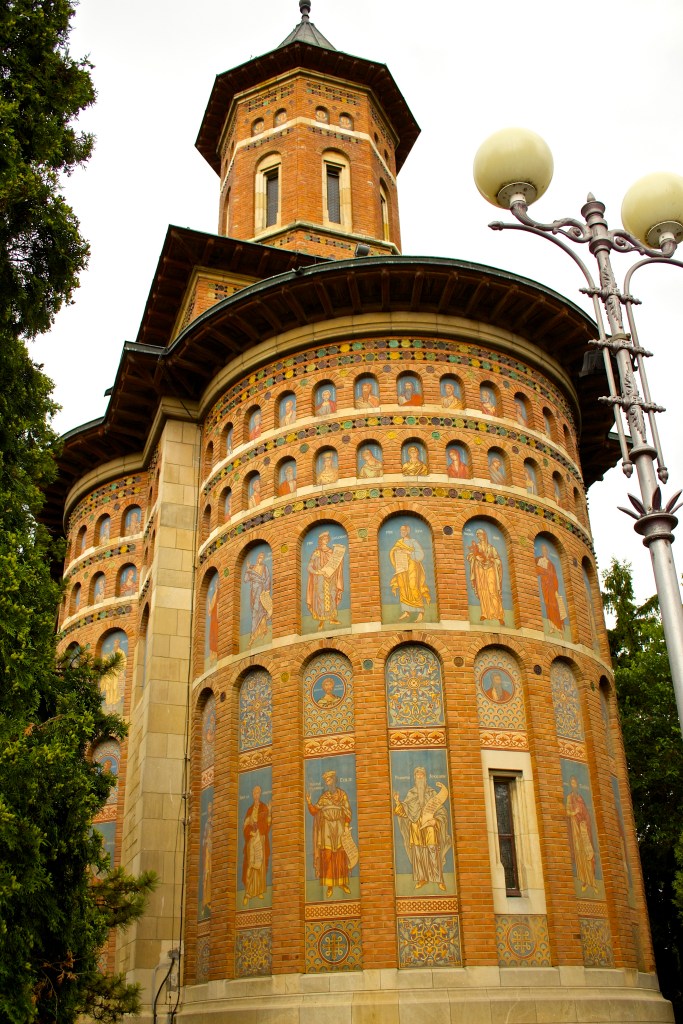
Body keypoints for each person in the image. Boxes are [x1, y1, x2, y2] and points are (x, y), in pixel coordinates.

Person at [393, 767, 450, 891]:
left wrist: (436, 821)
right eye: (417, 775)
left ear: (425, 777)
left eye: (422, 775)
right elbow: (405, 812)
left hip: (430, 827)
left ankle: (438, 879)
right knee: (418, 853)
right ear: (415, 777)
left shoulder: (432, 793)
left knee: (433, 851)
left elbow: (441, 812)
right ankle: (422, 878)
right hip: (416, 827)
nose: (420, 777)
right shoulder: (411, 793)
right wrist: (398, 803)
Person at [306, 769, 352, 898]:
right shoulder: (324, 796)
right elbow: (315, 810)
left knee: (341, 854)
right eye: (326, 781)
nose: (328, 782)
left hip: (339, 826)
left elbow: (348, 811)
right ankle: (330, 885)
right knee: (328, 855)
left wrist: (347, 826)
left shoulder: (342, 795)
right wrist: (309, 803)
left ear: (334, 780)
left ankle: (342, 882)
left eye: (330, 779)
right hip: (326, 828)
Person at [389, 523, 431, 622]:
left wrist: (408, 552)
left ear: (408, 531)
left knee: (413, 587)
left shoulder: (413, 542)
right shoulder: (399, 542)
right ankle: (407, 612)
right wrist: (396, 551)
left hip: (413, 568)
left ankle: (421, 611)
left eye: (404, 530)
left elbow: (420, 554)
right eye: (401, 530)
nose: (402, 532)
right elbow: (392, 552)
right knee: (403, 588)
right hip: (402, 568)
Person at [306, 530, 345, 630]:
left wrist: (339, 554)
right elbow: (309, 567)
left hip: (331, 578)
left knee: (332, 596)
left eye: (327, 538)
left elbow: (336, 563)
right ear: (320, 540)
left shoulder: (331, 551)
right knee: (321, 598)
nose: (326, 540)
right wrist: (318, 572)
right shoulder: (317, 553)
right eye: (324, 538)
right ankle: (321, 620)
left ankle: (332, 618)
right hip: (319, 579)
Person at [565, 776, 598, 894]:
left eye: (575, 782)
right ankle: (584, 880)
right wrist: (575, 812)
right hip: (575, 828)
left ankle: (592, 881)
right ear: (570, 785)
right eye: (572, 783)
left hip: (583, 827)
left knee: (589, 853)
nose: (574, 784)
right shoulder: (569, 797)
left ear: (577, 785)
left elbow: (586, 813)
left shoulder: (580, 798)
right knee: (580, 853)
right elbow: (567, 812)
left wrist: (585, 819)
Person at [466, 528, 505, 625]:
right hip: (480, 571)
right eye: (478, 535)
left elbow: (498, 561)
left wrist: (491, 560)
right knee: (482, 591)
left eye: (481, 534)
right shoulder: (476, 547)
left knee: (493, 591)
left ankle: (499, 615)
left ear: (485, 535)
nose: (479, 536)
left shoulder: (491, 548)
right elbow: (470, 556)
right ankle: (484, 613)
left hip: (490, 570)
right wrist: (476, 557)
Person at [242, 785, 271, 905]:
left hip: (261, 839)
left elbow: (268, 824)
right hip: (252, 840)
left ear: (260, 794)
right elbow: (245, 827)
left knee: (261, 865)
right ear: (252, 795)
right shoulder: (249, 810)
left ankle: (259, 890)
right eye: (254, 793)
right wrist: (250, 832)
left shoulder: (264, 807)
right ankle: (248, 892)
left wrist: (270, 812)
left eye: (258, 793)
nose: (256, 795)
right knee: (250, 865)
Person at [535, 544, 567, 635]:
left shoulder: (551, 564)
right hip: (545, 586)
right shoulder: (539, 560)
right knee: (548, 606)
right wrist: (544, 571)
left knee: (554, 606)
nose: (544, 551)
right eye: (543, 550)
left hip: (552, 588)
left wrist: (556, 590)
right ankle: (551, 627)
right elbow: (535, 568)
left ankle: (558, 627)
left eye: (546, 550)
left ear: (548, 552)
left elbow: (555, 577)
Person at [243, 550, 272, 647]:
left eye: (262, 558)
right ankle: (263, 631)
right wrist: (247, 569)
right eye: (260, 557)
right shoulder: (253, 568)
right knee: (256, 612)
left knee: (259, 612)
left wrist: (267, 590)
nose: (261, 559)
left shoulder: (264, 568)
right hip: (253, 593)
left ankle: (254, 637)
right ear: (257, 558)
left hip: (260, 591)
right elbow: (246, 579)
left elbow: (267, 578)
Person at [100, 635, 127, 705]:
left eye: (116, 643)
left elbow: (124, 662)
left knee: (115, 688)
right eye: (114, 643)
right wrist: (103, 656)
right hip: (111, 673)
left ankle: (114, 705)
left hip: (117, 673)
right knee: (109, 689)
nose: (115, 644)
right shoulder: (111, 653)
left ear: (118, 644)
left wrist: (121, 671)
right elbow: (107, 659)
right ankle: (109, 705)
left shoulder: (121, 652)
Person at [200, 800, 213, 916]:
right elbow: (204, 838)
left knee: (211, 876)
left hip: (212, 853)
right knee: (206, 876)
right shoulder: (206, 823)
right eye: (208, 808)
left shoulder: (213, 822)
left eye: (211, 808)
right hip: (207, 853)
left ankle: (210, 900)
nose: (209, 810)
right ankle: (205, 901)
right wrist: (206, 841)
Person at [206, 578, 219, 666]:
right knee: (212, 635)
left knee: (217, 634)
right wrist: (209, 602)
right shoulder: (215, 593)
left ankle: (216, 653)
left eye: (218, 583)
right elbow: (210, 611)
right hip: (213, 619)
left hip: (217, 618)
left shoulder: (220, 593)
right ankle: (212, 655)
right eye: (216, 584)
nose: (217, 585)